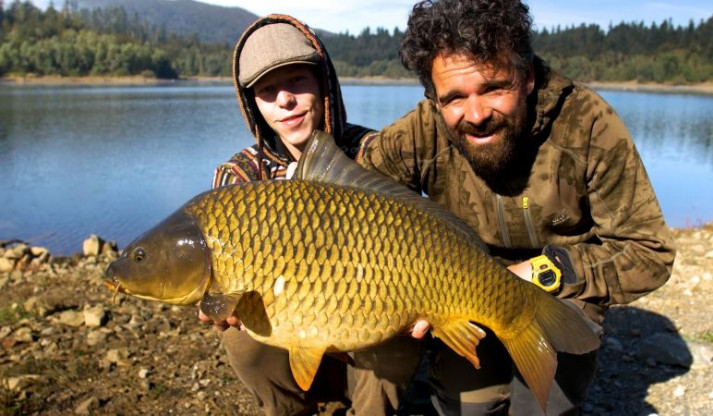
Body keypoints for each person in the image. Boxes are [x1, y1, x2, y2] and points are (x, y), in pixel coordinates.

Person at [353, 0, 676, 414]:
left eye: (493, 88)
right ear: (433, 99)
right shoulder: (416, 135)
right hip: (462, 289)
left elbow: (649, 251)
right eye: (454, 98)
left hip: (559, 289)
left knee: (540, 406)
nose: (476, 114)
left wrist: (547, 270)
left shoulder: (588, 124)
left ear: (526, 78)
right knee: (470, 408)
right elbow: (347, 209)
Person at [199, 14, 424, 416]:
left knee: (399, 341)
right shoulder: (239, 177)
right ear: (253, 104)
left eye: (297, 81)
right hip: (289, 336)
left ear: (324, 84)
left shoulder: (374, 153)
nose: (284, 100)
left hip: (370, 330)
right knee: (241, 340)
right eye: (267, 90)